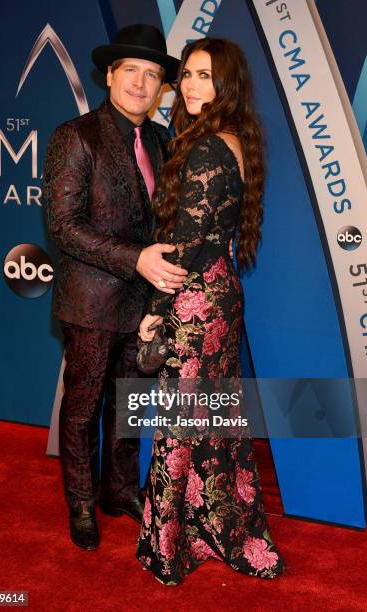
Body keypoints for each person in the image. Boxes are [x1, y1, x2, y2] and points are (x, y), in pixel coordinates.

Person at [136, 38, 285, 584]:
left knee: (181, 423)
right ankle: (215, 527)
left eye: (206, 76)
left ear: (228, 86)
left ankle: (169, 548)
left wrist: (155, 309)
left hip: (195, 302)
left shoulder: (204, 149)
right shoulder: (235, 140)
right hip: (223, 296)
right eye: (189, 76)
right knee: (212, 422)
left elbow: (187, 242)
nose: (192, 86)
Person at [42, 24, 186, 551]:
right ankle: (81, 500)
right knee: (82, 405)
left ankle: (118, 490)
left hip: (141, 304)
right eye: (132, 71)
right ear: (109, 75)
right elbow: (63, 226)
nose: (141, 84)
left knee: (127, 402)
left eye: (153, 75)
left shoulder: (161, 139)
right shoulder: (75, 136)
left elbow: (162, 220)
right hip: (91, 300)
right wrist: (137, 260)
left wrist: (157, 285)